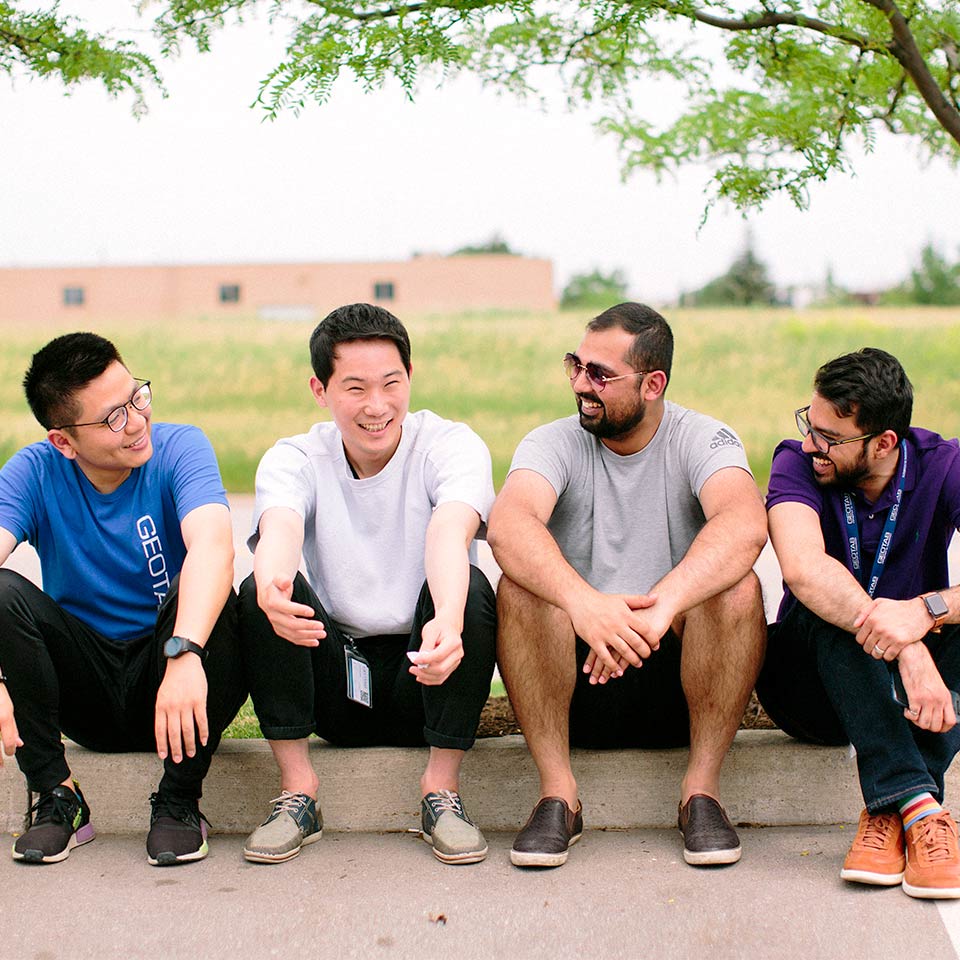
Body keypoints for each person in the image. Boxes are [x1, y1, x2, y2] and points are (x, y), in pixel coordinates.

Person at [488, 302, 766, 869]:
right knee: (519, 588)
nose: (581, 386)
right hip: (575, 683)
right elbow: (508, 526)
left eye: (601, 375)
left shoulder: (705, 439)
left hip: (682, 685)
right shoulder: (552, 443)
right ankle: (558, 796)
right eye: (576, 366)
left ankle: (701, 793)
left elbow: (744, 525)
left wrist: (661, 607)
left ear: (653, 384)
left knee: (739, 587)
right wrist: (586, 606)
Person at [239, 303, 496, 866]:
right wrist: (271, 584)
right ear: (320, 389)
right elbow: (278, 528)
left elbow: (449, 535)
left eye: (391, 384)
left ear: (410, 378)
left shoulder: (450, 445)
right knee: (260, 591)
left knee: (470, 587)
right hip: (337, 676)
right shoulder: (295, 457)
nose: (376, 407)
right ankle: (298, 794)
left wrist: (448, 619)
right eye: (354, 388)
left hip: (425, 666)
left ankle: (442, 793)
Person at [0, 332, 246, 866]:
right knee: (4, 592)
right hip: (84, 686)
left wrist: (184, 652)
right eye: (113, 417)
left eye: (138, 397)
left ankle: (180, 802)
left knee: (213, 587)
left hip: (175, 680)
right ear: (64, 441)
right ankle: (57, 796)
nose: (137, 421)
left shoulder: (181, 447)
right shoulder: (35, 470)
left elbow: (214, 544)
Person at [757, 347, 960, 899]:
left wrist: (925, 612)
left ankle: (894, 813)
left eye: (830, 437)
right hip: (812, 689)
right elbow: (801, 569)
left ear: (884, 442)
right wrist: (909, 648)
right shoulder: (795, 462)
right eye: (810, 424)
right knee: (832, 608)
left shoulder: (943, 463)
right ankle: (924, 806)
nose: (809, 444)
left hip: (908, 699)